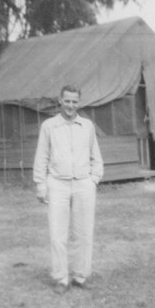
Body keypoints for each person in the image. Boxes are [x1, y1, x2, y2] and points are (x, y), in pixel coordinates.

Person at [33, 85, 104, 294]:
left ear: (78, 103)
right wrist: (41, 184)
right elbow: (41, 156)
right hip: (58, 184)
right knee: (57, 234)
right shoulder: (49, 126)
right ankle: (61, 278)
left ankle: (80, 276)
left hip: (83, 183)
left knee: (84, 233)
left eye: (74, 101)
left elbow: (96, 157)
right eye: (67, 101)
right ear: (60, 101)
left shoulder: (87, 126)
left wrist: (93, 180)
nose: (70, 105)